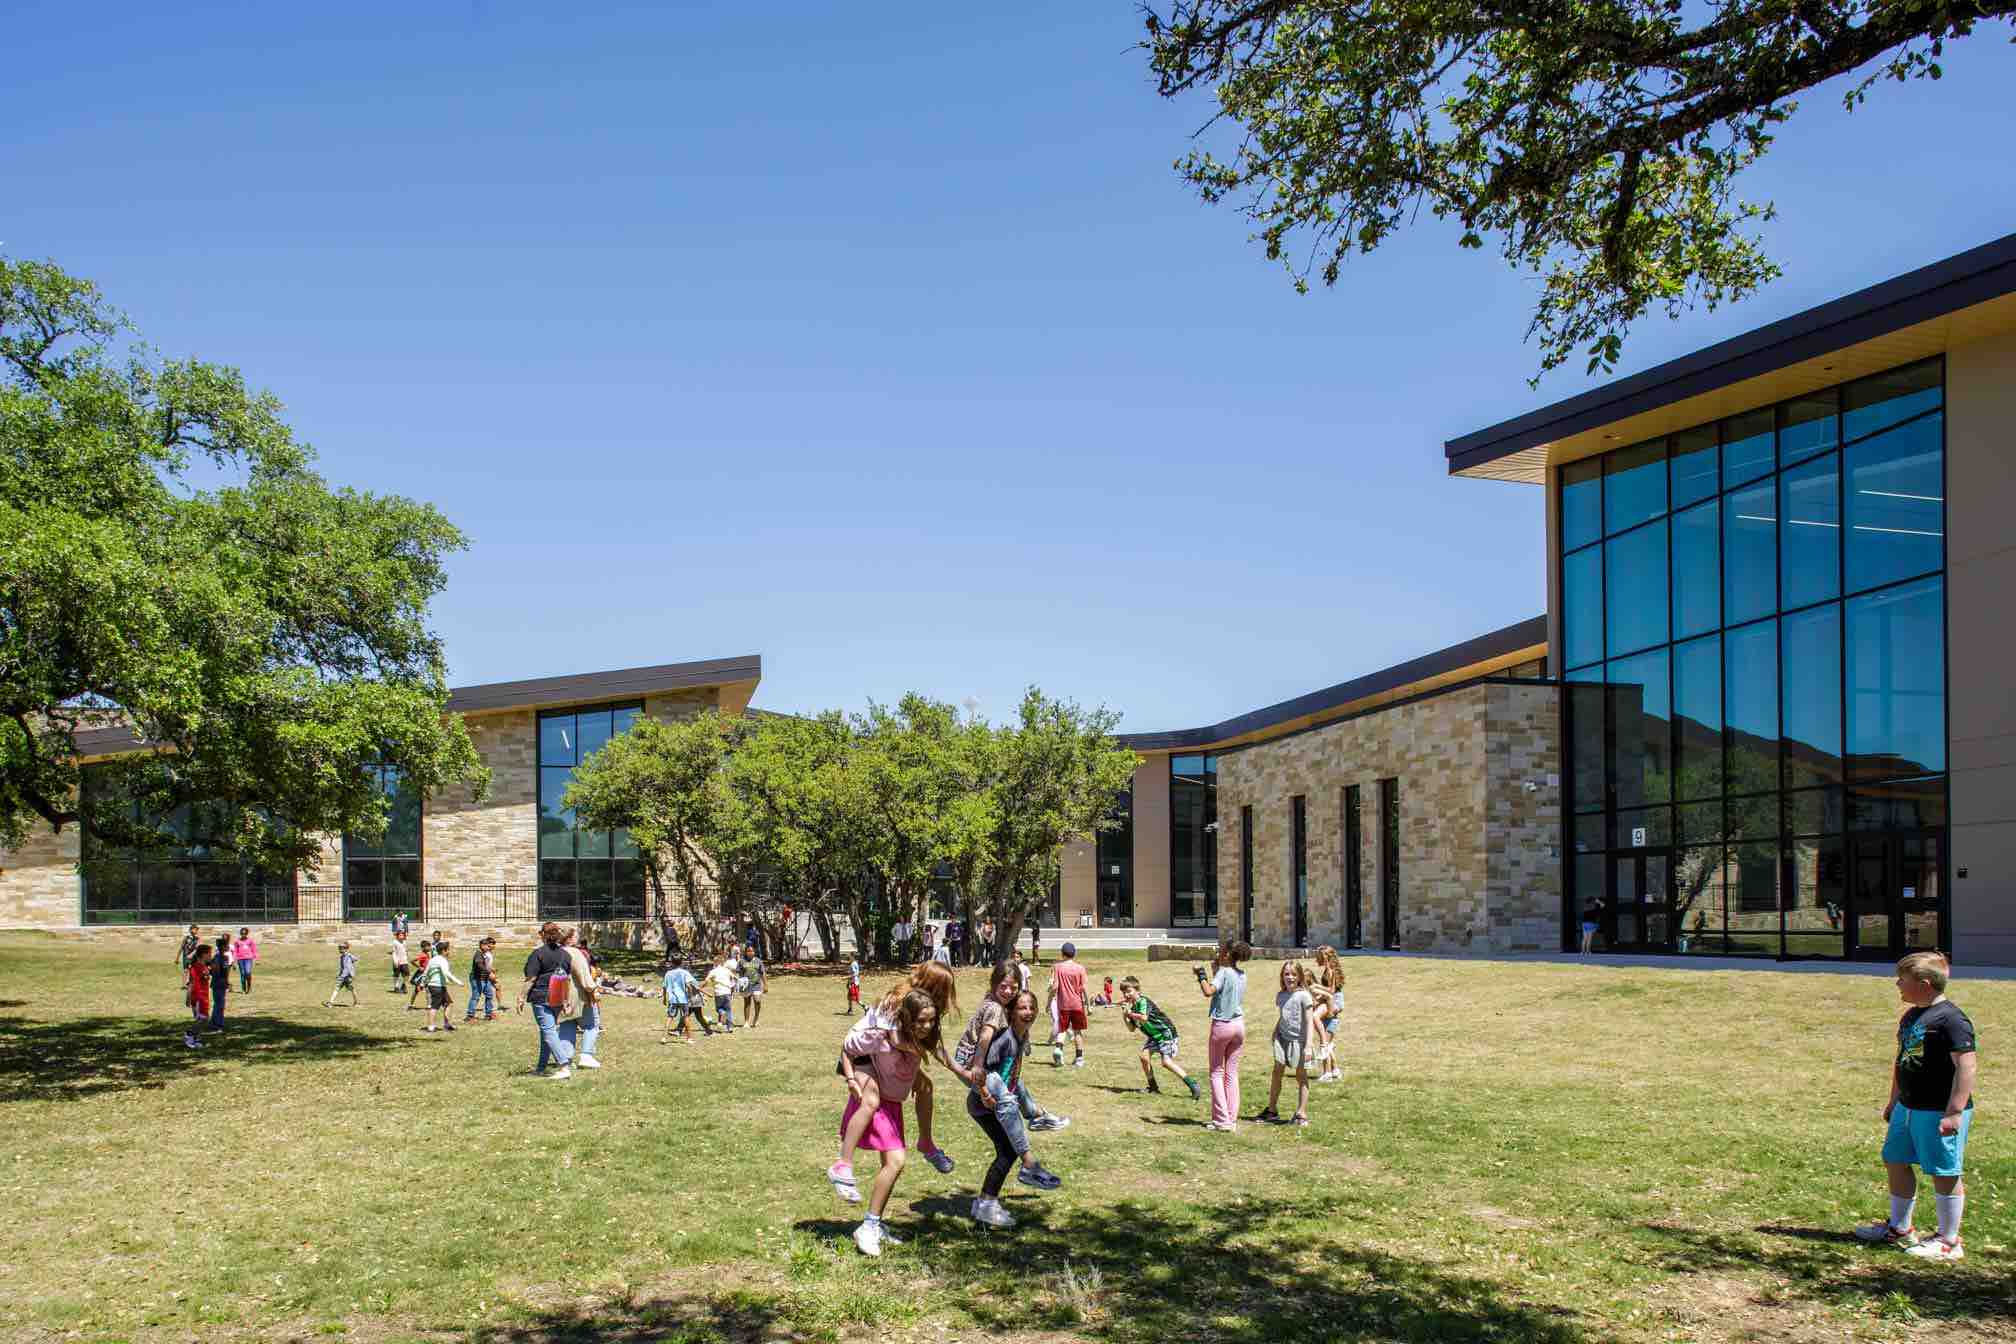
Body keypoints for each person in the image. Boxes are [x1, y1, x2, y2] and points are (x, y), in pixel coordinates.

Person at [1853, 952, 1977, 1261]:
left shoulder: (1952, 1020)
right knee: (1895, 1160)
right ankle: (1900, 1228)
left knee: (1943, 1171)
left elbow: (1966, 1067)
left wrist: (1954, 1111)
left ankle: (1949, 1240)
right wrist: (1894, 1100)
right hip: (1907, 1107)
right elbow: (1902, 1061)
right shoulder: (1911, 1016)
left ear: (1923, 984)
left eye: (1902, 980)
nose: (1897, 984)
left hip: (1937, 1110)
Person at [829, 963, 962, 1201]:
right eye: (943, 990)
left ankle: (926, 1143)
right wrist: (924, 1051)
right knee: (870, 1100)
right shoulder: (897, 999)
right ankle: (843, 1165)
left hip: (886, 1054)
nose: (946, 997)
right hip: (864, 1052)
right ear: (930, 985)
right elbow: (896, 1039)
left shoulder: (923, 1006)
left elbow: (931, 1045)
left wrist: (960, 1070)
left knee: (925, 1086)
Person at [836, 988, 940, 1256]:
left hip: (894, 1106)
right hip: (877, 1104)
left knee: (891, 1166)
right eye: (920, 1021)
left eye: (931, 1020)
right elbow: (847, 1048)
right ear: (906, 1019)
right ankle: (867, 1224)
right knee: (896, 1162)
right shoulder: (879, 1038)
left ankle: (874, 1223)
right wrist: (851, 1080)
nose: (926, 1026)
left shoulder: (920, 1041)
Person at [965, 988, 1064, 1227]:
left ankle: (985, 1203)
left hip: (997, 1102)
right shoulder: (1005, 1039)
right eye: (1022, 1007)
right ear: (1011, 1011)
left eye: (1031, 1007)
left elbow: (1013, 1078)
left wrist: (1029, 1107)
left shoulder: (1020, 1037)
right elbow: (981, 1071)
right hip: (984, 1103)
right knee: (1008, 1152)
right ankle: (993, 1197)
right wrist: (988, 1096)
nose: (1028, 1012)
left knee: (1006, 1152)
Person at [954, 961, 1071, 1138]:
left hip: (970, 1060)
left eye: (1013, 987)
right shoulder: (994, 1008)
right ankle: (1023, 1133)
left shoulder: (995, 1001)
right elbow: (985, 1037)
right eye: (1003, 986)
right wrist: (977, 1068)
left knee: (1017, 1085)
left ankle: (1037, 1116)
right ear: (994, 984)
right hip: (971, 1063)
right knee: (1007, 1090)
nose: (1008, 991)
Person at [518, 922, 583, 1079]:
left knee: (548, 1031)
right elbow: (565, 979)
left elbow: (531, 978)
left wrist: (521, 997)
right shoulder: (566, 955)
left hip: (542, 996)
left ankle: (563, 1065)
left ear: (543, 935)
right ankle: (541, 1067)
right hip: (558, 996)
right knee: (546, 1031)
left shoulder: (538, 954)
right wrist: (566, 1001)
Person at [1118, 976, 1200, 1100]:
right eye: (1124, 992)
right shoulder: (1133, 1007)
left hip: (1166, 1034)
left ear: (1138, 990)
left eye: (1129, 991)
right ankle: (1153, 1088)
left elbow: (1144, 1017)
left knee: (1166, 1062)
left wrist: (1129, 1013)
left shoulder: (1142, 1001)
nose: (1126, 994)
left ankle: (1192, 1084)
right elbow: (1131, 1028)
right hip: (1154, 1036)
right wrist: (1125, 1016)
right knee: (1144, 1057)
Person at [1198, 939, 1249, 1132]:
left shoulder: (1223, 972)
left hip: (1222, 1026)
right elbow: (1226, 991)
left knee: (1216, 1072)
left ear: (1226, 954)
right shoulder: (1241, 974)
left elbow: (1208, 991)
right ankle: (1231, 1118)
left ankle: (1221, 1120)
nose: (1218, 953)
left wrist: (1201, 975)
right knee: (1232, 1073)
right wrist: (1215, 972)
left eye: (1220, 951)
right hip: (1238, 1026)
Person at [1256, 961, 1315, 1127]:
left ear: (1300, 977)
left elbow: (1310, 1021)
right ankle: (1272, 1110)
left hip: (1300, 1041)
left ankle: (1301, 1113)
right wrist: (1275, 1031)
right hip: (1282, 1039)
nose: (1290, 977)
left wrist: (1309, 1045)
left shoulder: (1304, 995)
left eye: (1294, 974)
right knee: (1277, 1072)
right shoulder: (1281, 996)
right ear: (1282, 976)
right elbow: (1284, 1015)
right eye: (1287, 974)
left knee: (1301, 1076)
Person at [560, 930, 603, 1068]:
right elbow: (583, 973)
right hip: (577, 995)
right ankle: (586, 1055)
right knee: (592, 1025)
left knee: (567, 1024)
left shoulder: (556, 952)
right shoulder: (574, 953)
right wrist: (593, 989)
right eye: (575, 936)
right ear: (570, 939)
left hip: (561, 995)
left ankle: (566, 1059)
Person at [1047, 942, 1089, 1068]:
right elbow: (1084, 988)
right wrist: (1088, 1005)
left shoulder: (1057, 967)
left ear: (1062, 953)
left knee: (1062, 1029)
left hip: (1063, 1005)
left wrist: (1049, 1002)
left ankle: (1058, 1049)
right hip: (1077, 1005)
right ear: (1074, 954)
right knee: (1077, 1032)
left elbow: (1055, 987)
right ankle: (1080, 1058)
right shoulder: (1080, 968)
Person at [1310, 945, 1346, 1084]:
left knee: (1323, 1039)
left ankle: (1327, 1073)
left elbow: (1331, 991)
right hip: (1333, 1000)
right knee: (1327, 1042)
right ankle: (1335, 1070)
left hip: (1334, 1001)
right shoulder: (1328, 970)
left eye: (1319, 957)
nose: (1317, 959)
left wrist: (1316, 987)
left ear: (1326, 957)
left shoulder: (1330, 971)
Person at [420, 939, 463, 1033]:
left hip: (436, 986)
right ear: (444, 951)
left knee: (448, 1003)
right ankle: (431, 1026)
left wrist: (423, 983)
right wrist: (458, 982)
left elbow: (425, 972)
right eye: (448, 950)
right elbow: (446, 973)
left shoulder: (432, 960)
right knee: (434, 1006)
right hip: (437, 986)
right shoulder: (442, 960)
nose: (449, 952)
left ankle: (447, 1024)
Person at [463, 937, 498, 1022]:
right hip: (477, 979)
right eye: (487, 946)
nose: (488, 948)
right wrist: (489, 972)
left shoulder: (484, 953)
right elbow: (480, 965)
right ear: (482, 945)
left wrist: (491, 970)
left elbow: (485, 965)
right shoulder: (478, 954)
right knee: (476, 996)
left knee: (489, 995)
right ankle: (470, 1016)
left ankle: (488, 1014)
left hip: (485, 978)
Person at [184, 943, 213, 1048]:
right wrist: (188, 997)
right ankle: (190, 1034)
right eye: (209, 953)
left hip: (204, 996)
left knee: (203, 1019)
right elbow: (191, 983)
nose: (210, 955)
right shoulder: (196, 967)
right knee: (203, 1019)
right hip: (198, 997)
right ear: (203, 955)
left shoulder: (204, 966)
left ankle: (196, 1039)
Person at [705, 950, 737, 1033]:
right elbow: (734, 977)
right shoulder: (726, 970)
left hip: (718, 992)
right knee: (729, 1010)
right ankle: (730, 1027)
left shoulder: (713, 971)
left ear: (715, 963)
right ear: (722, 963)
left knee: (719, 1008)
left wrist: (700, 987)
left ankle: (722, 1013)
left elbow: (706, 981)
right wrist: (733, 986)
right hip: (727, 992)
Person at [207, 930, 232, 1034]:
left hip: (217, 983)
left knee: (217, 1004)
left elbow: (212, 971)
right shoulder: (221, 958)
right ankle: (218, 1025)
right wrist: (226, 982)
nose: (228, 947)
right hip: (219, 983)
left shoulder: (218, 958)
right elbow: (219, 971)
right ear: (222, 947)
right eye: (226, 945)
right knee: (220, 1005)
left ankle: (213, 1023)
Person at [323, 942, 359, 1008]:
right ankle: (331, 1002)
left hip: (347, 976)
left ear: (345, 949)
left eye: (341, 948)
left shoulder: (348, 956)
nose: (339, 950)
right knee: (341, 989)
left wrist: (343, 976)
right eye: (339, 948)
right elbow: (343, 967)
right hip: (343, 976)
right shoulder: (342, 957)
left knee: (349, 989)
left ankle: (356, 1002)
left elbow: (352, 962)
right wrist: (339, 974)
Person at [740, 944, 766, 1028]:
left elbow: (762, 973)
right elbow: (738, 972)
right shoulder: (742, 961)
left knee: (757, 1001)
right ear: (746, 952)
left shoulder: (758, 961)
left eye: (752, 951)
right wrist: (738, 982)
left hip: (756, 984)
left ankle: (756, 1018)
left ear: (754, 952)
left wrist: (765, 985)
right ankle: (746, 1022)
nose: (750, 952)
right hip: (746, 985)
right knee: (747, 1003)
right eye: (748, 951)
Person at [228, 927, 257, 992]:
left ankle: (249, 986)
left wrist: (255, 958)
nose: (243, 935)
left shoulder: (250, 941)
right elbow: (235, 951)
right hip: (240, 959)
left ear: (247, 934)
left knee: (248, 972)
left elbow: (254, 950)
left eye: (244, 933)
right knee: (243, 974)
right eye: (242, 933)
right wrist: (234, 960)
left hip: (248, 959)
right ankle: (244, 988)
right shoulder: (237, 941)